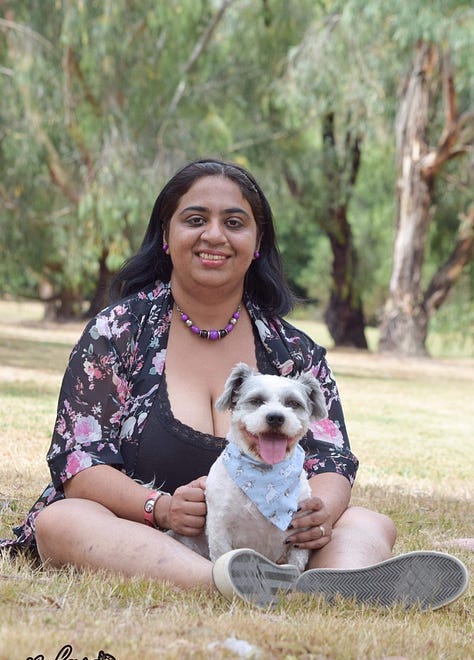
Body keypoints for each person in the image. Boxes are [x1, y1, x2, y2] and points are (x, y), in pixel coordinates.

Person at [1, 158, 468, 610]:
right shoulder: (117, 332)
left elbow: (333, 458)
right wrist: (159, 508)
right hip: (146, 532)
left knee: (368, 521)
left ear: (257, 242)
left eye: (235, 222)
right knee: (63, 520)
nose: (214, 235)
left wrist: (319, 511)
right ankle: (222, 582)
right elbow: (78, 462)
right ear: (166, 235)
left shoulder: (293, 350)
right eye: (195, 219)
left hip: (272, 535)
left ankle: (333, 585)